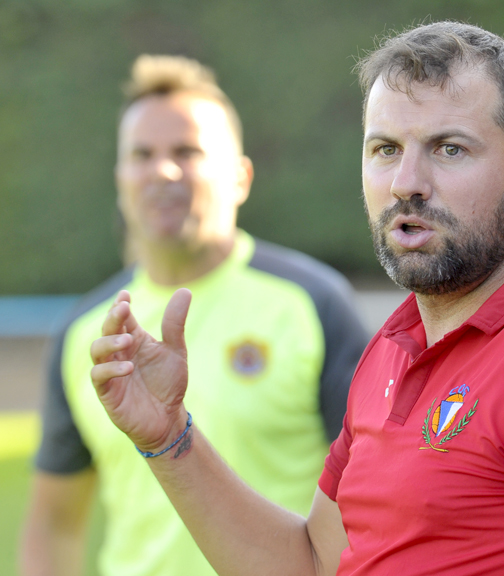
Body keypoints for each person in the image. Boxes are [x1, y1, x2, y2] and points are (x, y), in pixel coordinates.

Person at [85, 22, 504, 576]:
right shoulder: (397, 343)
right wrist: (168, 437)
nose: (407, 184)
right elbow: (313, 564)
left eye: (449, 148)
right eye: (385, 150)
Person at [20, 55, 370, 576]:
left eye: (187, 151)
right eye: (142, 155)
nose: (162, 170)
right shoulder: (84, 333)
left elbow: (376, 497)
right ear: (120, 178)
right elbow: (55, 522)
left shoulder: (312, 303)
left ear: (240, 178)